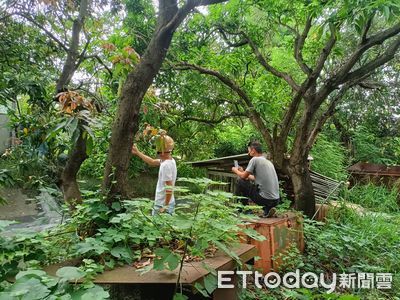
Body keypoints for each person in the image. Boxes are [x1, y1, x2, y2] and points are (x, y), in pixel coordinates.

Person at [131, 132, 177, 215]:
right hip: (168, 202)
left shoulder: (165, 165)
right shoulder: (169, 160)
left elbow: (169, 187)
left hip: (162, 205)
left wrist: (165, 206)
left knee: (159, 227)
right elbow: (152, 162)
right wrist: (137, 152)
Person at [232, 141, 280, 217]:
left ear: (253, 150)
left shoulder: (254, 159)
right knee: (247, 181)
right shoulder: (268, 162)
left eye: (249, 151)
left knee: (240, 181)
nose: (248, 153)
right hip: (276, 200)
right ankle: (267, 210)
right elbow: (254, 178)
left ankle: (243, 209)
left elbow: (243, 177)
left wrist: (236, 171)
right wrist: (243, 172)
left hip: (264, 199)